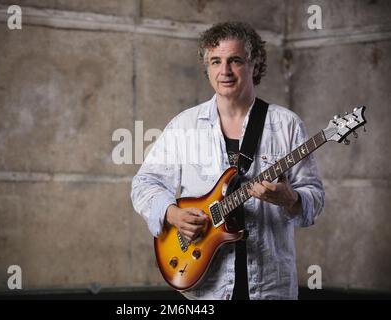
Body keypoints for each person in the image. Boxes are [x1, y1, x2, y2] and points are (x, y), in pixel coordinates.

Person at [131, 21, 324, 300]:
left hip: (270, 287)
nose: (224, 71)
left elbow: (315, 198)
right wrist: (172, 213)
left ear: (255, 65)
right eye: (215, 61)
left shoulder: (287, 125)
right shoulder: (184, 125)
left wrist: (290, 199)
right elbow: (144, 183)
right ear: (207, 67)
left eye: (235, 60)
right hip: (207, 288)